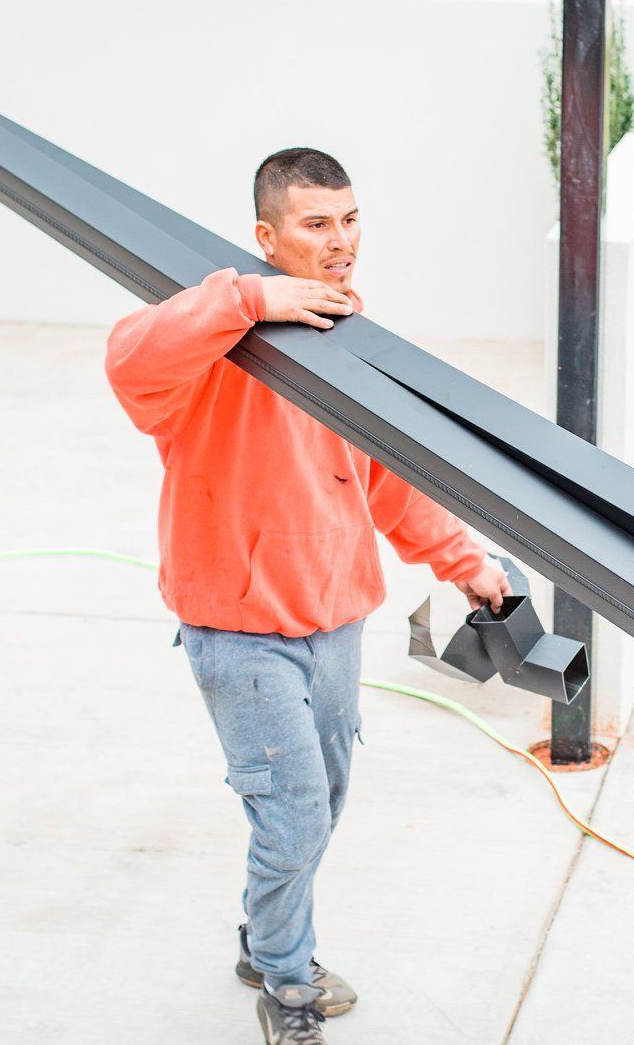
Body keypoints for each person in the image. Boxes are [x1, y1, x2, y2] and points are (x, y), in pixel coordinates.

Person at [105, 147, 511, 1045]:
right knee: (292, 817)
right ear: (267, 236)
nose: (341, 241)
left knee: (320, 802)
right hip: (238, 626)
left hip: (336, 617)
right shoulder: (215, 338)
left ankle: (265, 934)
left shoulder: (350, 335)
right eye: (317, 224)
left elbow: (388, 478)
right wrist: (249, 300)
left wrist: (464, 563)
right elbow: (129, 360)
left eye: (351, 220)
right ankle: (288, 983)